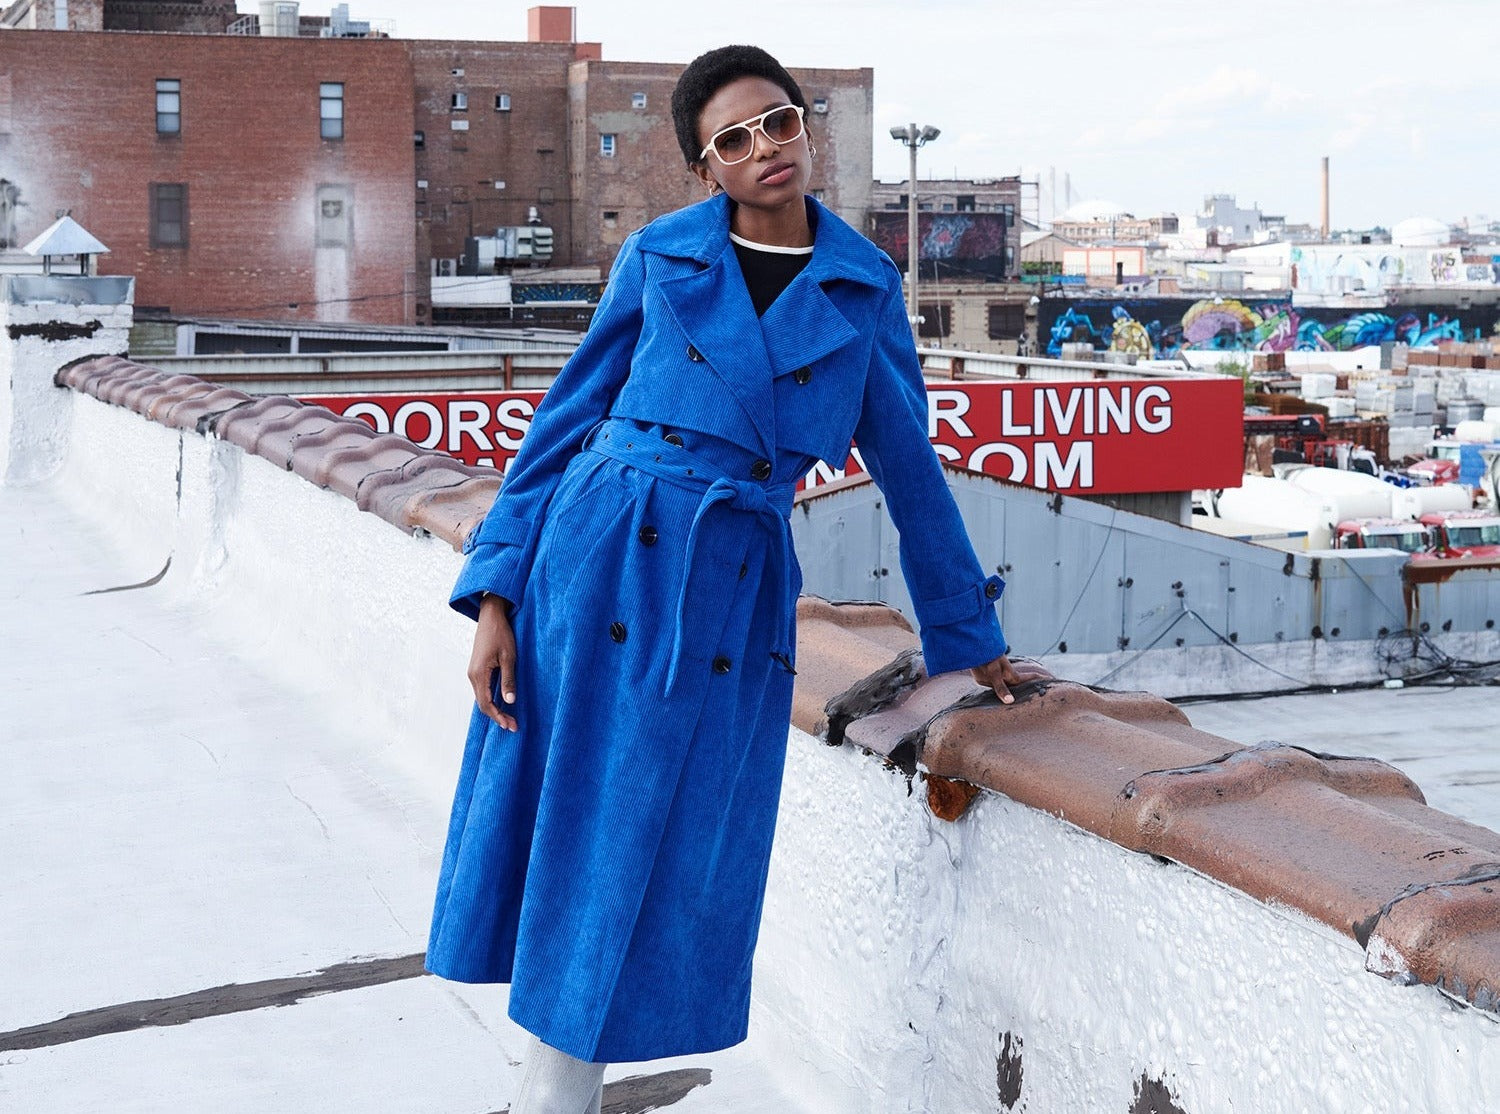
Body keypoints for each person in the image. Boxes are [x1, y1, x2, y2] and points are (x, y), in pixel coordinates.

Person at [425, 44, 1020, 1114]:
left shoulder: (864, 285)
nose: (765, 150)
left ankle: (552, 1090)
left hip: (729, 586)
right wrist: (496, 595)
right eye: (734, 140)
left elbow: (910, 469)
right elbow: (564, 421)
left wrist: (969, 638)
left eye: (779, 122)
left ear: (806, 126)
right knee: (580, 815)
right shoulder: (659, 257)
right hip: (599, 557)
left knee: (664, 836)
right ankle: (551, 1093)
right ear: (707, 167)